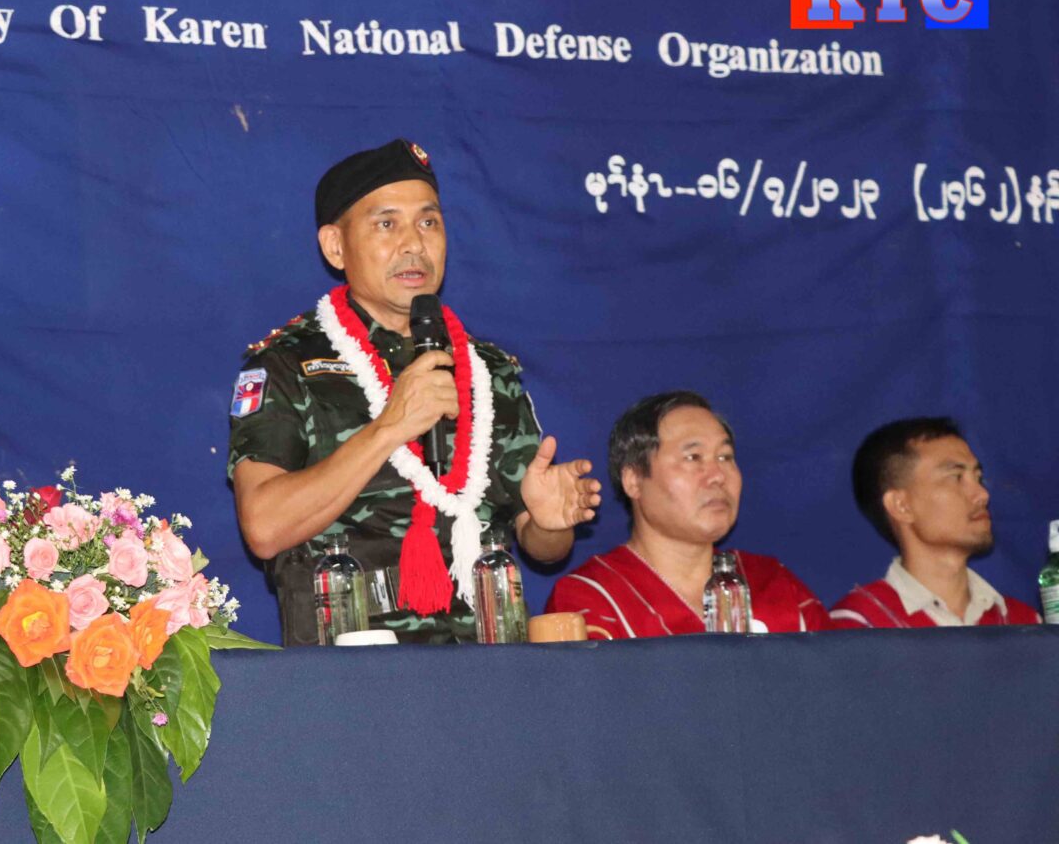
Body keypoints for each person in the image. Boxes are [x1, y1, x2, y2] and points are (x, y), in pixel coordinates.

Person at [228, 138, 600, 645]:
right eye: (387, 224)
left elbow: (541, 546)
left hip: (490, 665)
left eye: (428, 222)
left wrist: (551, 524)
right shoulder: (287, 364)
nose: (414, 245)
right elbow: (264, 527)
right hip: (351, 669)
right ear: (335, 246)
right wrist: (389, 427)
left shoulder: (487, 369)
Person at [544, 390, 830, 638]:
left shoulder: (774, 583)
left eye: (725, 457)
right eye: (693, 457)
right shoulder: (590, 600)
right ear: (633, 480)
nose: (718, 476)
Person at [829, 417, 1039, 629]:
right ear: (901, 506)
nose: (982, 495)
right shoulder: (858, 625)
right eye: (956, 477)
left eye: (978, 478)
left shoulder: (1025, 622)